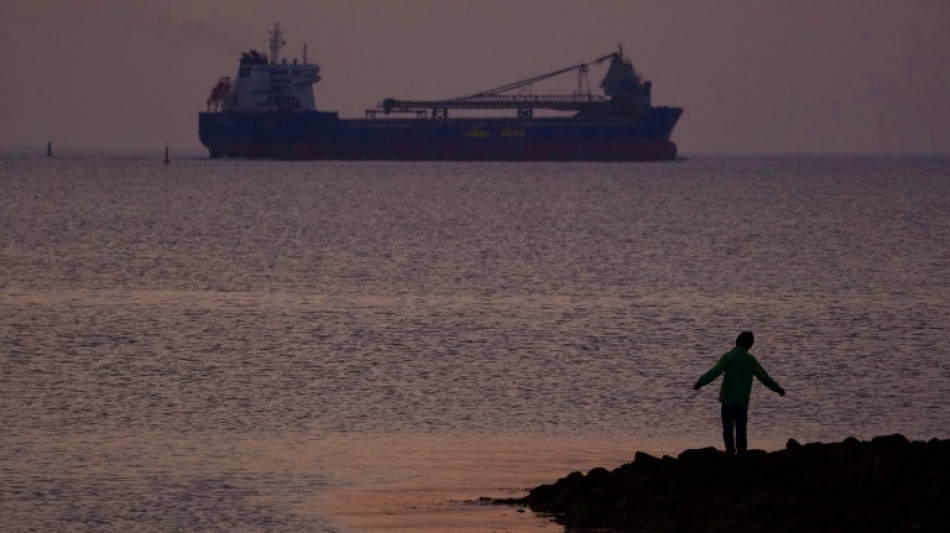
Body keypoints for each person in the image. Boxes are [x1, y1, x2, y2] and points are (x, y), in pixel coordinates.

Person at [693, 331, 785, 455]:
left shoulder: (728, 356)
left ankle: (730, 451)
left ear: (737, 341)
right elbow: (764, 378)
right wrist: (778, 389)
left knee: (728, 428)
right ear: (750, 345)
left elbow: (714, 372)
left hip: (728, 400)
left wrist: (700, 382)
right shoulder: (751, 360)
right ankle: (741, 452)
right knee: (741, 429)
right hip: (742, 402)